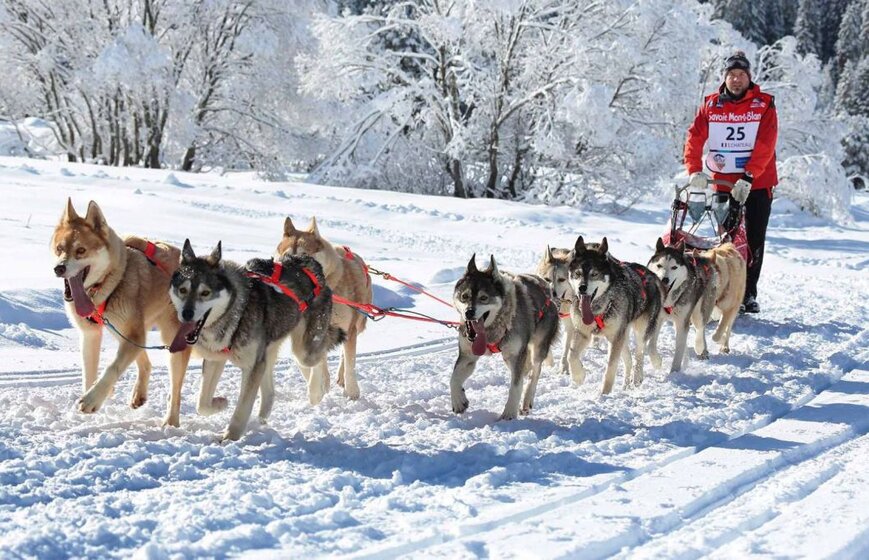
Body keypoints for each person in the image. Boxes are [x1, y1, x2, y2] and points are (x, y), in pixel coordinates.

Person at [683, 50, 778, 314]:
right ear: (725, 78)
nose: (736, 80)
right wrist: (694, 169)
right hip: (724, 183)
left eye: (741, 75)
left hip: (756, 183)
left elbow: (766, 142)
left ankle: (748, 294)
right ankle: (725, 291)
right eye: (732, 75)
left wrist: (749, 175)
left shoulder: (764, 104)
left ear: (749, 77)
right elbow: (694, 136)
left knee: (754, 239)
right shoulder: (712, 105)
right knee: (727, 240)